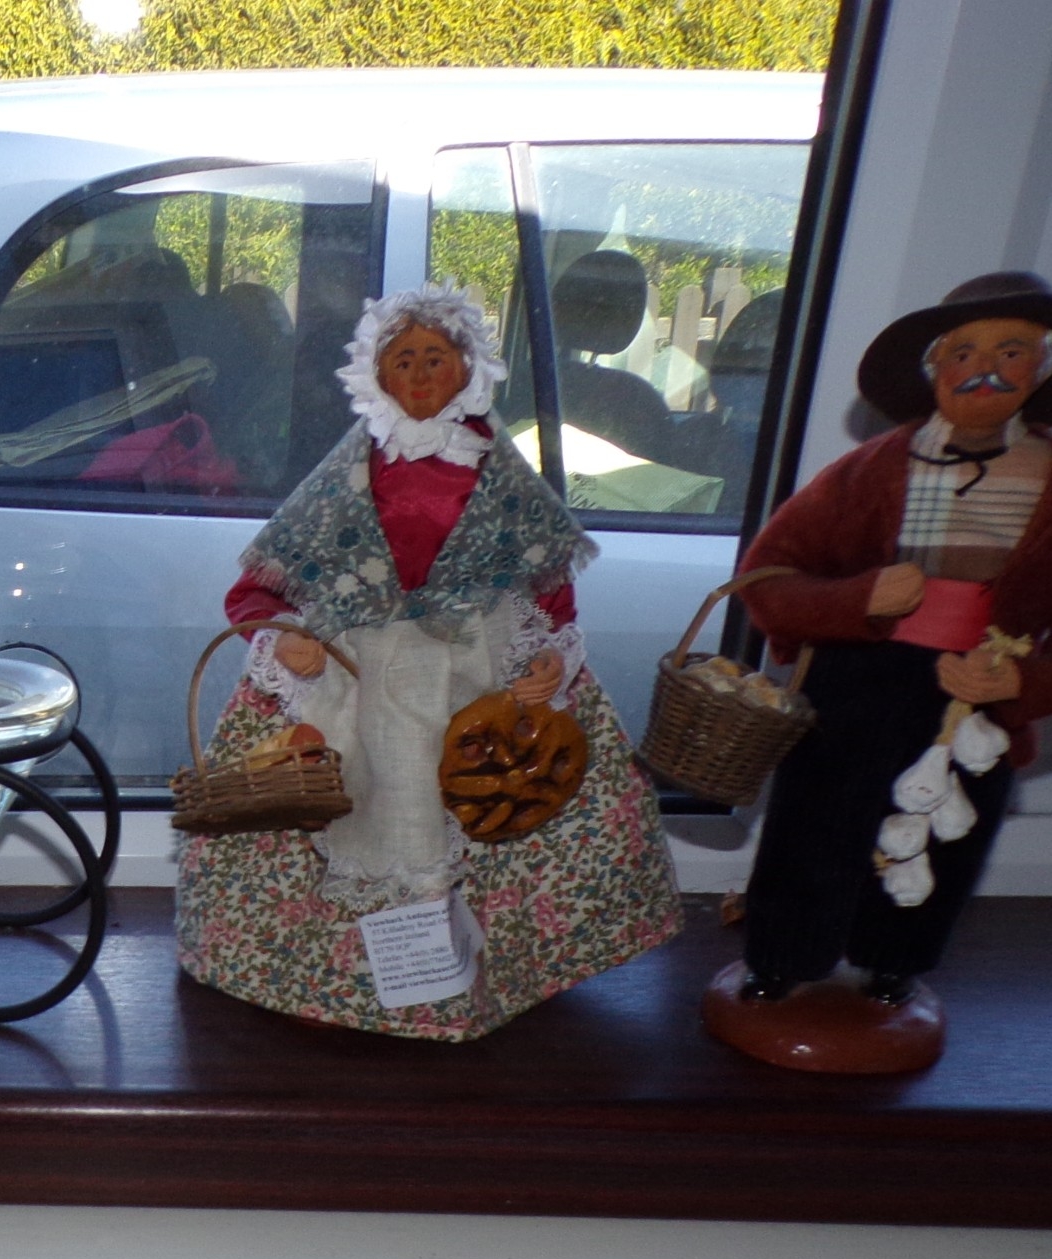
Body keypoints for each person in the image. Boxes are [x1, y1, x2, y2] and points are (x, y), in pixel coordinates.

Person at [175, 283, 682, 1039]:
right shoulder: (345, 474)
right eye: (403, 359)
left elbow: (548, 589)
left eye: (435, 357)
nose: (419, 374)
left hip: (478, 663)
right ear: (376, 375)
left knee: (497, 789)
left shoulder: (499, 471)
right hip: (355, 663)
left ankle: (475, 974)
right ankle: (338, 976)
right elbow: (259, 588)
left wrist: (548, 652)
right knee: (335, 785)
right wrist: (282, 636)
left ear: (468, 366)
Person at [728, 272, 1052, 1016]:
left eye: (1012, 352)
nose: (986, 370)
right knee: (816, 820)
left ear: (1043, 368)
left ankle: (894, 962)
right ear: (934, 366)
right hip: (854, 684)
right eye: (964, 352)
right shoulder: (870, 472)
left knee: (948, 832)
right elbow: (766, 577)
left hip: (974, 697)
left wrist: (1020, 684)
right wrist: (857, 599)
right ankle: (781, 958)